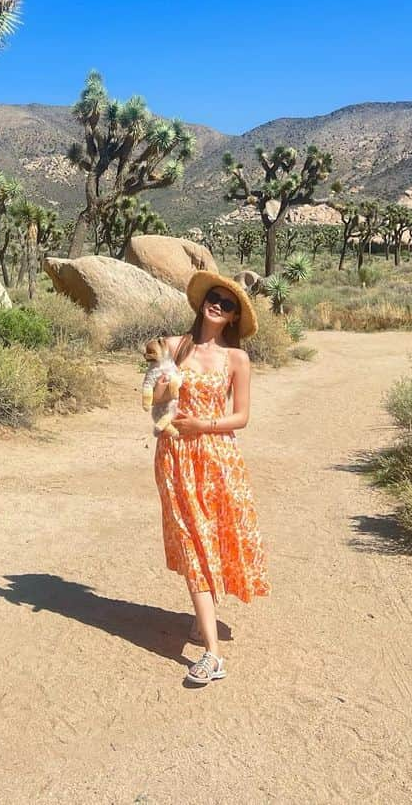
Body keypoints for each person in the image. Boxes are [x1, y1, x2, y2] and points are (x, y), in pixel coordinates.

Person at [151, 270, 270, 685]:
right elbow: (153, 404)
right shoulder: (171, 346)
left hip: (217, 456)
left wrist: (203, 424)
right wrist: (163, 389)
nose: (218, 304)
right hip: (175, 458)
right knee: (190, 540)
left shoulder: (237, 359)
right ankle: (212, 653)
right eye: (214, 297)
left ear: (235, 317)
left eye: (228, 303)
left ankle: (206, 626)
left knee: (214, 539)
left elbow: (242, 416)